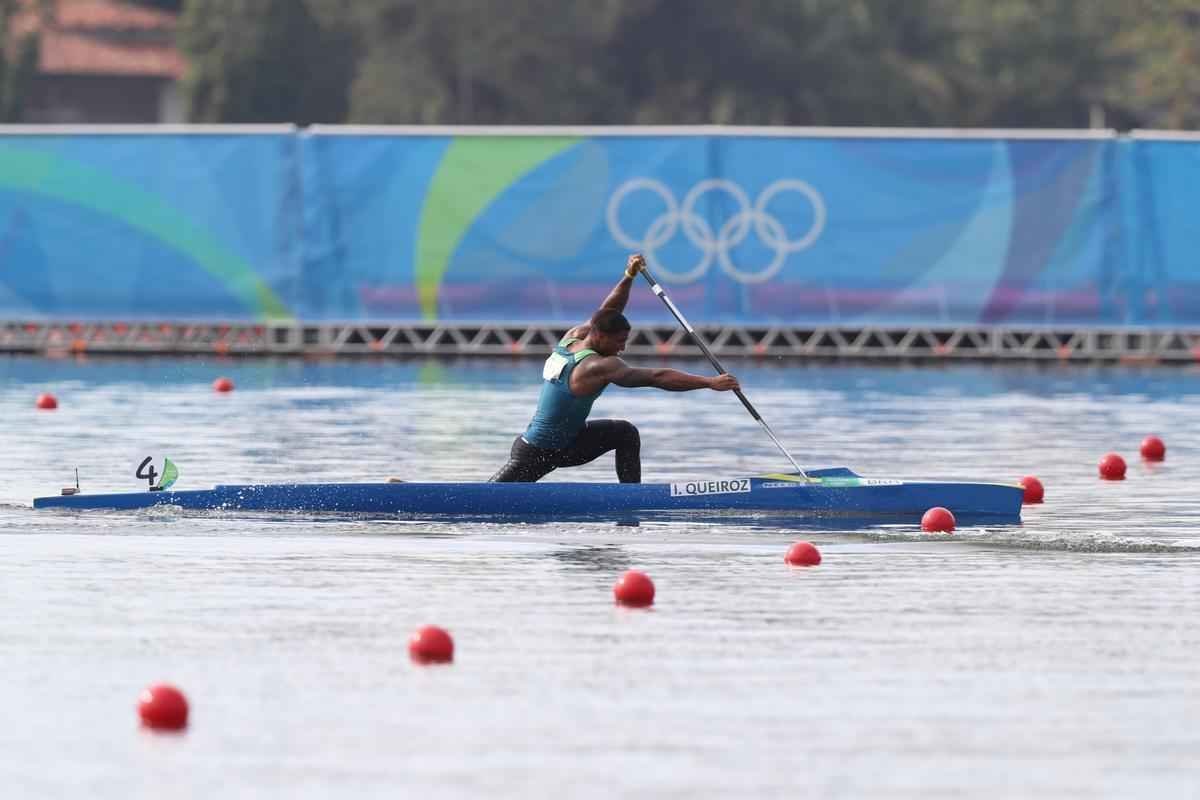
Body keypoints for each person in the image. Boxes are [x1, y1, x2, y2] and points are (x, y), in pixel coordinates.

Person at [489, 253, 740, 483]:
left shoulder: (574, 336)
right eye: (619, 342)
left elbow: (609, 310)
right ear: (599, 336)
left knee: (625, 433)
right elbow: (656, 376)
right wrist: (709, 383)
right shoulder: (598, 366)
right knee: (491, 499)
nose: (622, 349)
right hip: (536, 452)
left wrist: (629, 276)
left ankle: (631, 497)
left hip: (569, 444)